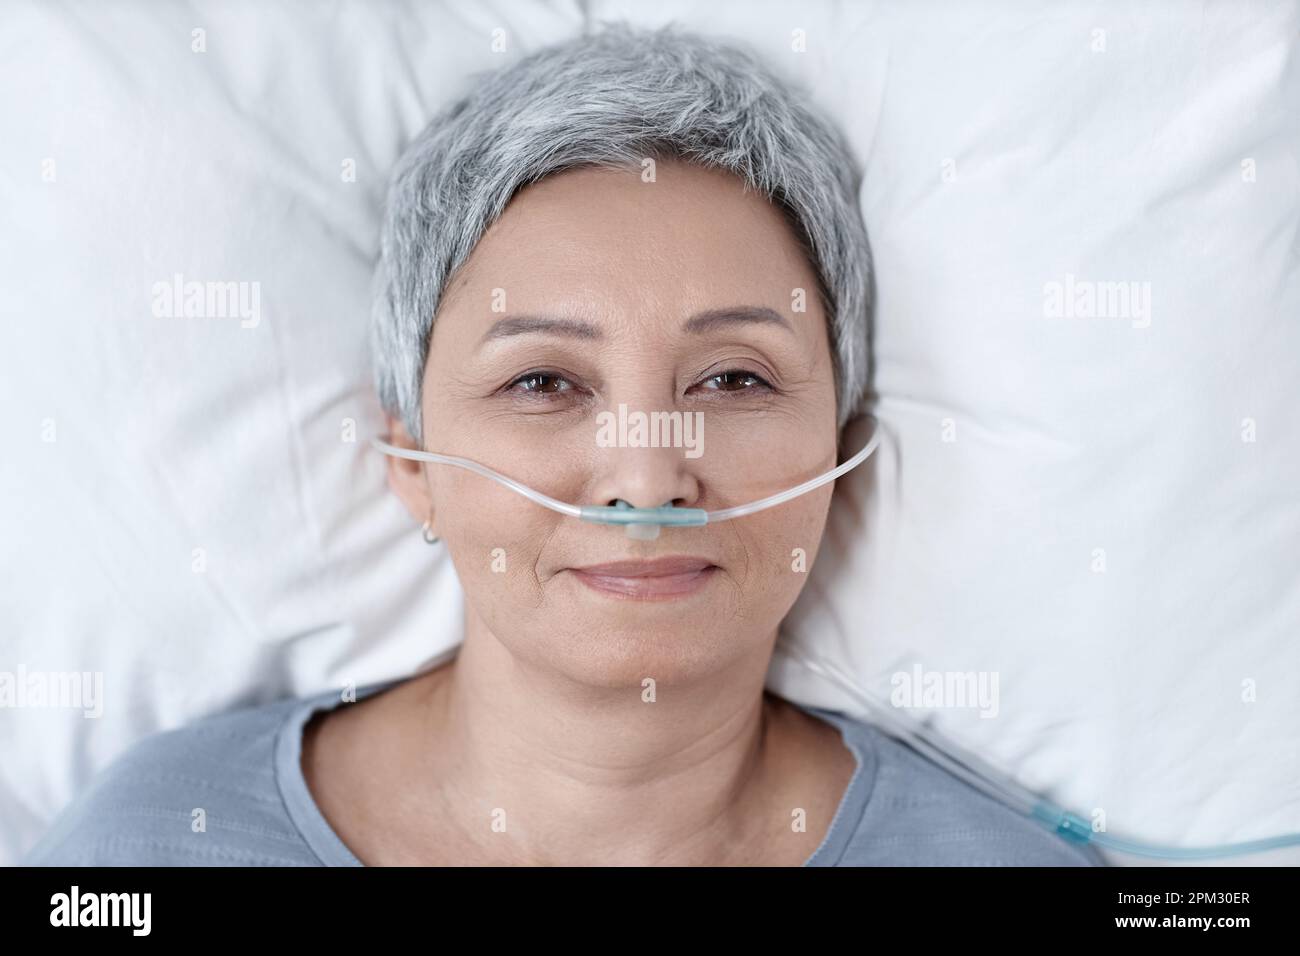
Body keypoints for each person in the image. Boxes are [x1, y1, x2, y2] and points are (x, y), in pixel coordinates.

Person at [23, 24, 1101, 867]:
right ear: (410, 463)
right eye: (543, 381)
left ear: (843, 443)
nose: (644, 476)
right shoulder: (154, 841)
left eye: (733, 378)